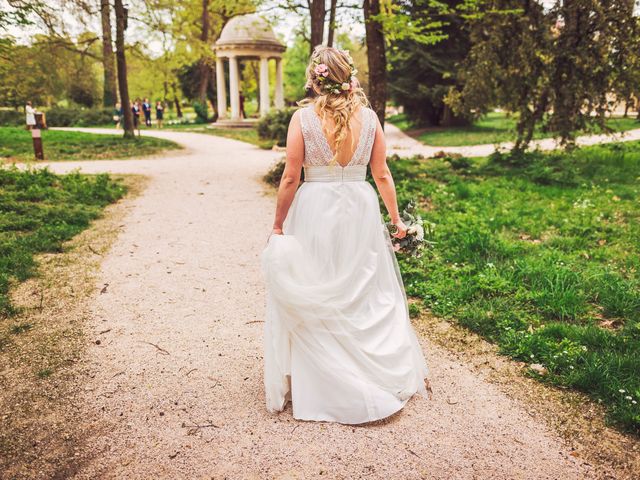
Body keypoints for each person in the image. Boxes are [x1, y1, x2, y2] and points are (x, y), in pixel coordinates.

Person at [262, 46, 429, 424]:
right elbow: (382, 173)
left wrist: (277, 224)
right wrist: (396, 219)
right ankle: (368, 369)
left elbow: (291, 176)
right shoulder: (369, 118)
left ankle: (323, 376)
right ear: (349, 77)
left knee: (318, 278)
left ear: (316, 78)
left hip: (315, 205)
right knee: (362, 285)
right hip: (359, 203)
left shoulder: (302, 119)